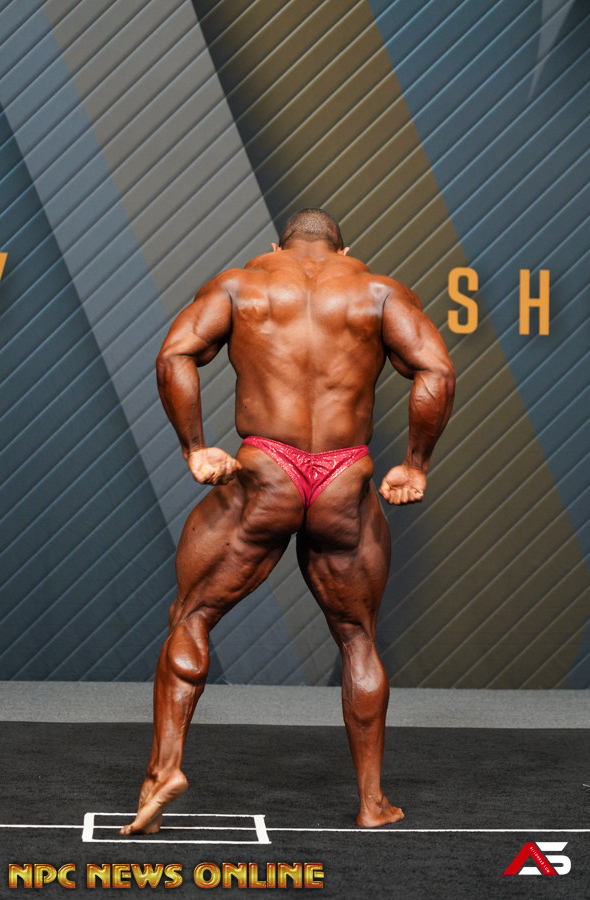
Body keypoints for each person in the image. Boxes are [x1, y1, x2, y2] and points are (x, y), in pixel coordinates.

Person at [120, 208, 455, 835]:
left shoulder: (239, 286)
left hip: (266, 470)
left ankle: (164, 771)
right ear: (343, 250)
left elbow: (175, 355)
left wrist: (196, 448)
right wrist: (415, 464)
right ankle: (372, 802)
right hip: (344, 476)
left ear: (277, 246)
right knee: (357, 638)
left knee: (192, 616)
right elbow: (436, 370)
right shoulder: (380, 293)